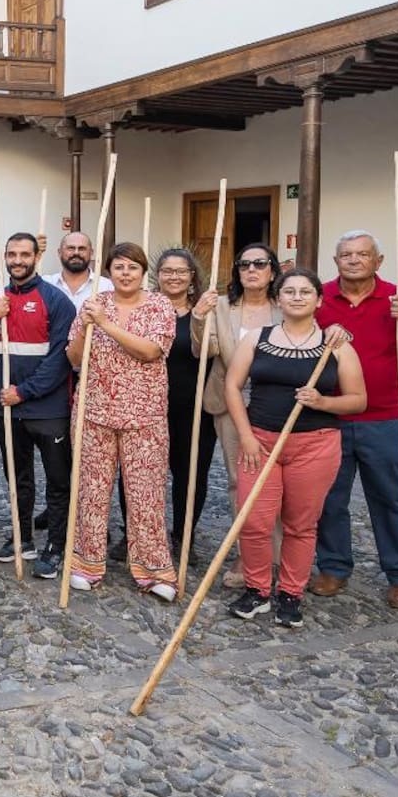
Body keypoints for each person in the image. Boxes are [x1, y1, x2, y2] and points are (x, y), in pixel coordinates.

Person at [224, 269, 365, 627]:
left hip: (315, 446)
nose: (297, 297)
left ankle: (290, 593)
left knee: (300, 525)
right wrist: (246, 436)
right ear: (279, 299)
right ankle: (257, 589)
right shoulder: (258, 337)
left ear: (319, 300)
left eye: (306, 292)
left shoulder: (336, 345)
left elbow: (357, 401)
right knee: (253, 520)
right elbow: (232, 386)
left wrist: (322, 402)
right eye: (289, 291)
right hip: (261, 443)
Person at [66, 242, 178, 601]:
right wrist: (86, 326)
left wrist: (106, 325)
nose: (125, 273)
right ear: (108, 272)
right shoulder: (95, 304)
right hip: (94, 411)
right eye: (118, 267)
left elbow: (150, 351)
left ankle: (153, 568)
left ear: (143, 271)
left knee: (146, 495)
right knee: (91, 492)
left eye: (132, 267)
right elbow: (73, 356)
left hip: (143, 415)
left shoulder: (159, 305)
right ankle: (87, 562)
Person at [0, 231, 76, 578]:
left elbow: (60, 359)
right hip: (9, 410)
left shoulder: (57, 301)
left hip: (47, 409)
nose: (18, 260)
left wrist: (24, 391)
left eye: (24, 254)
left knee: (58, 479)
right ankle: (23, 538)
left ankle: (56, 546)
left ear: (36, 257)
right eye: (12, 254)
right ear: (5, 257)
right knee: (17, 478)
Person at [312, 230, 398, 610]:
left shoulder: (397, 298)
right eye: (346, 254)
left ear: (377, 262)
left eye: (362, 254)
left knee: (391, 498)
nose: (353, 260)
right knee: (330, 498)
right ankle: (333, 567)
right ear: (336, 262)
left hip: (386, 415)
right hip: (331, 413)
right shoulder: (319, 300)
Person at [191, 243, 282, 588]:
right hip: (229, 403)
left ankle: (277, 551)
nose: (252, 270)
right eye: (244, 265)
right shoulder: (222, 307)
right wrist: (200, 317)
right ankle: (250, 553)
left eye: (260, 264)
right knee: (238, 481)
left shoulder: (284, 305)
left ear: (272, 270)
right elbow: (205, 350)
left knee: (275, 483)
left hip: (276, 403)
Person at [41, 230, 115, 544]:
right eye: (70, 247)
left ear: (91, 253)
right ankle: (58, 507)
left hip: (94, 376)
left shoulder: (107, 287)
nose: (76, 252)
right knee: (58, 448)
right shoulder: (45, 285)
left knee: (92, 452)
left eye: (82, 248)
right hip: (55, 376)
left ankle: (93, 515)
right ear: (59, 252)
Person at [152, 248, 216, 566]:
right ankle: (140, 534)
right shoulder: (145, 308)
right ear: (158, 275)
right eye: (167, 270)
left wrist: (202, 317)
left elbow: (209, 350)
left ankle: (182, 535)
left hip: (194, 408)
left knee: (190, 474)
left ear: (192, 277)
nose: (174, 276)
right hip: (150, 406)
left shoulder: (207, 310)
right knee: (143, 475)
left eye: (181, 271)